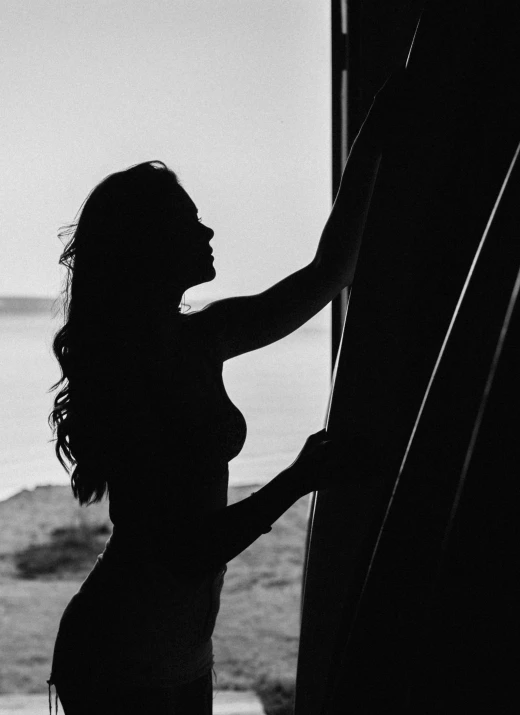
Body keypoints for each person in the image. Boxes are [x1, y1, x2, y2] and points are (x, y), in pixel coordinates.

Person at [45, 73, 398, 715]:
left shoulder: (205, 338)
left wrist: (371, 142)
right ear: (149, 247)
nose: (208, 232)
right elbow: (186, 546)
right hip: (119, 659)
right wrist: (299, 477)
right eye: (189, 222)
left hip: (186, 652)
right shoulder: (129, 373)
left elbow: (329, 274)